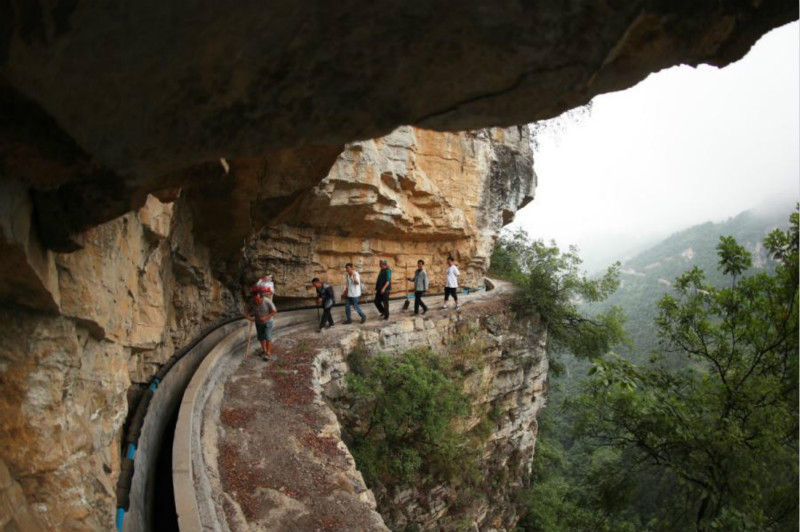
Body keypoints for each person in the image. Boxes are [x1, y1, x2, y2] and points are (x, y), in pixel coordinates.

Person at [244, 291, 278, 360]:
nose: (256, 301)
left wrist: (265, 317)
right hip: (258, 322)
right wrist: (248, 316)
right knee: (261, 337)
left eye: (258, 300)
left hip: (268, 322)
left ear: (261, 298)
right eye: (255, 299)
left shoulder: (267, 301)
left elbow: (274, 311)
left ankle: (268, 354)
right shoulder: (252, 301)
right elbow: (246, 309)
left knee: (268, 337)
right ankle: (264, 350)